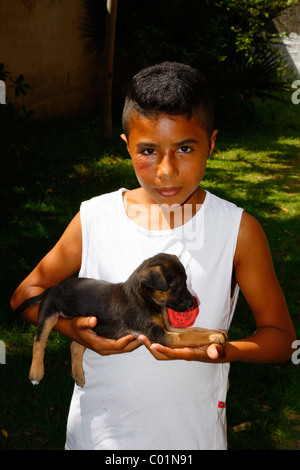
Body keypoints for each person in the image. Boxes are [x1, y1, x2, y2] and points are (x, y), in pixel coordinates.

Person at [10, 62, 296, 450]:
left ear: (211, 144)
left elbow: (281, 339)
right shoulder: (94, 217)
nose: (165, 170)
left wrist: (218, 352)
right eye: (148, 151)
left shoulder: (238, 231)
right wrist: (72, 330)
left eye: (185, 148)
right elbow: (26, 294)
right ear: (127, 145)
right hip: (96, 440)